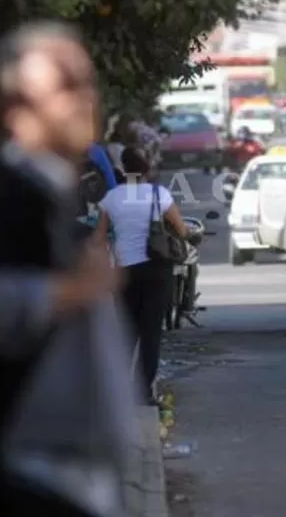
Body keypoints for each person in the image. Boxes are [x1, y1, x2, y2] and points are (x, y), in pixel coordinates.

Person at [0, 21, 139, 517]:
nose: (84, 98)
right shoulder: (0, 195)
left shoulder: (51, 190)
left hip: (69, 477)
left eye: (85, 82)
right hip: (23, 479)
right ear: (17, 111)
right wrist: (74, 290)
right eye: (64, 85)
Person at [97, 146, 199, 405]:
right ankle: (144, 391)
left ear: (122, 169)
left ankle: (119, 392)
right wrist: (191, 235)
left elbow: (98, 238)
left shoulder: (112, 198)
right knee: (151, 331)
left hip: (124, 272)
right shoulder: (158, 194)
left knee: (126, 331)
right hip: (156, 270)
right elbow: (180, 229)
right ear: (146, 170)